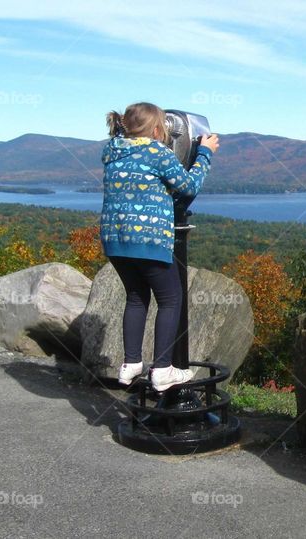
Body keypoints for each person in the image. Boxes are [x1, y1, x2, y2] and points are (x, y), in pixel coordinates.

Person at [100, 102, 220, 392]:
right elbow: (188, 186)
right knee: (170, 299)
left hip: (116, 241)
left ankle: (131, 363)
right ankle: (163, 370)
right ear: (156, 130)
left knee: (136, 297)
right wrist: (204, 153)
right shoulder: (158, 153)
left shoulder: (112, 150)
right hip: (149, 239)